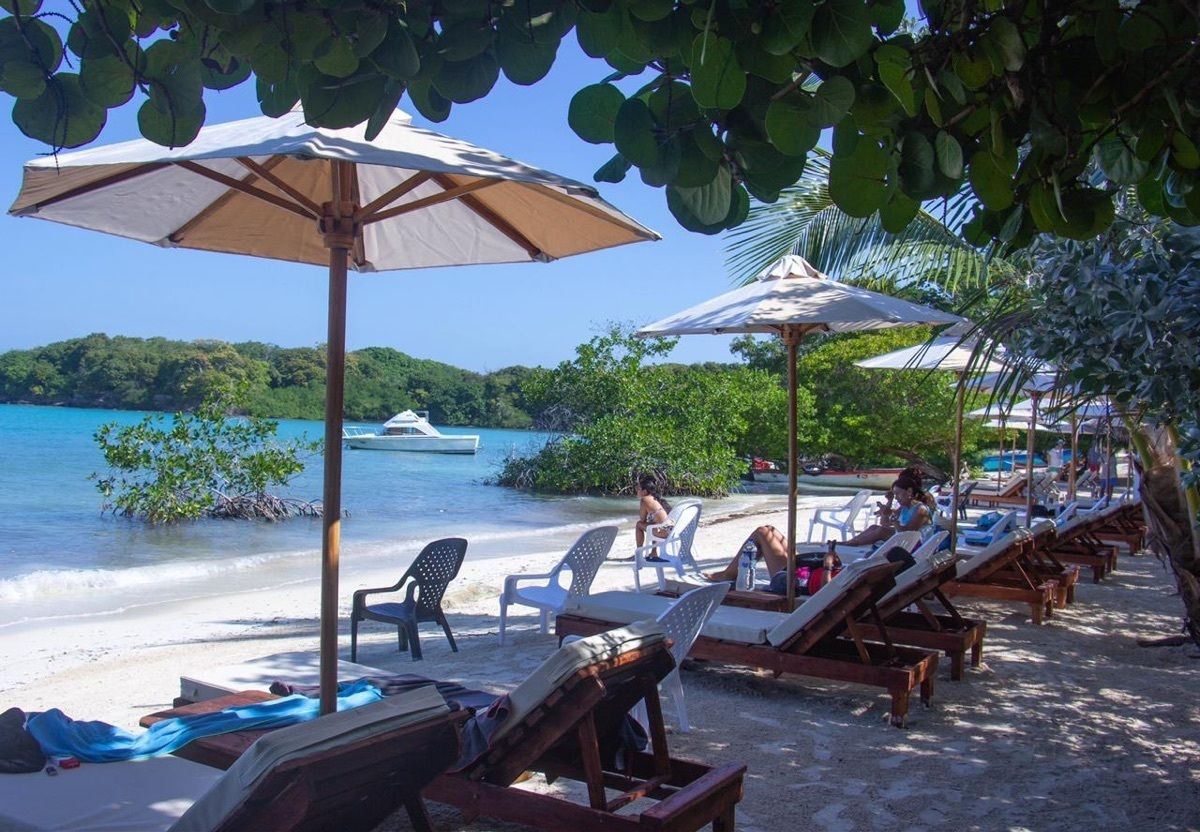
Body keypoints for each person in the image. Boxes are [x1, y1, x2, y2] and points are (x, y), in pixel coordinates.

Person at [840, 469, 932, 547]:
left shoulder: (921, 509)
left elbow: (907, 534)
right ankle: (849, 543)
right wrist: (889, 502)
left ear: (909, 491)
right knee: (874, 527)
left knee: (881, 531)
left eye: (898, 494)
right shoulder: (905, 506)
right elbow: (884, 523)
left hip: (915, 544)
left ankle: (850, 544)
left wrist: (892, 516)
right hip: (905, 539)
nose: (896, 498)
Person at [630, 473, 672, 562]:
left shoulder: (644, 499)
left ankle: (639, 554)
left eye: (638, 489)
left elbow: (642, 520)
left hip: (663, 531)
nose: (636, 491)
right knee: (653, 524)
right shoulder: (654, 498)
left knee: (639, 524)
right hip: (669, 530)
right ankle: (653, 552)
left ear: (644, 491)